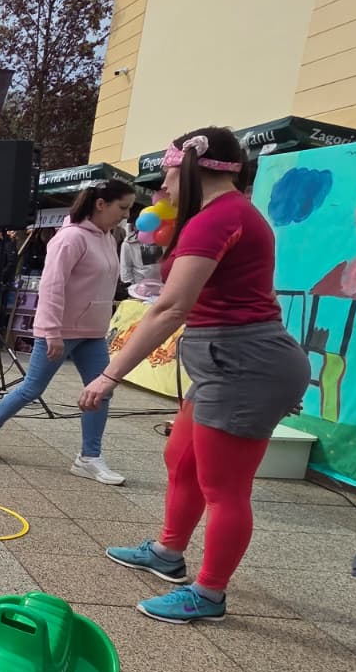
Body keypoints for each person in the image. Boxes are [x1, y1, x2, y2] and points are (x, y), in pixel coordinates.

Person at [82, 128, 311, 625]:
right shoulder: (222, 216)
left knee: (224, 487)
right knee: (181, 458)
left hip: (244, 366)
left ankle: (209, 593)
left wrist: (109, 376)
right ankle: (168, 552)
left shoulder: (217, 219)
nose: (162, 187)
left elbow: (171, 308)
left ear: (192, 169)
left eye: (167, 175)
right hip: (229, 363)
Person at [0, 178, 136, 486]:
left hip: (93, 333)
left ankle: (89, 457)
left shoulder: (109, 237)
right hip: (59, 330)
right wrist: (51, 331)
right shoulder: (70, 238)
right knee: (32, 389)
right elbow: (52, 286)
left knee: (101, 391)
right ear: (101, 204)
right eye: (122, 207)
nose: (126, 214)